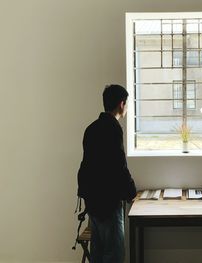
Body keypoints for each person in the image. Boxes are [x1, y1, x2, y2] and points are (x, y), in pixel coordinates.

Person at [77, 84, 136, 263]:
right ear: (121, 104)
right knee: (114, 254)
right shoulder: (113, 128)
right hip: (108, 203)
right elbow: (119, 166)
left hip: (93, 201)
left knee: (98, 252)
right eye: (126, 104)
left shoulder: (91, 128)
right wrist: (131, 191)